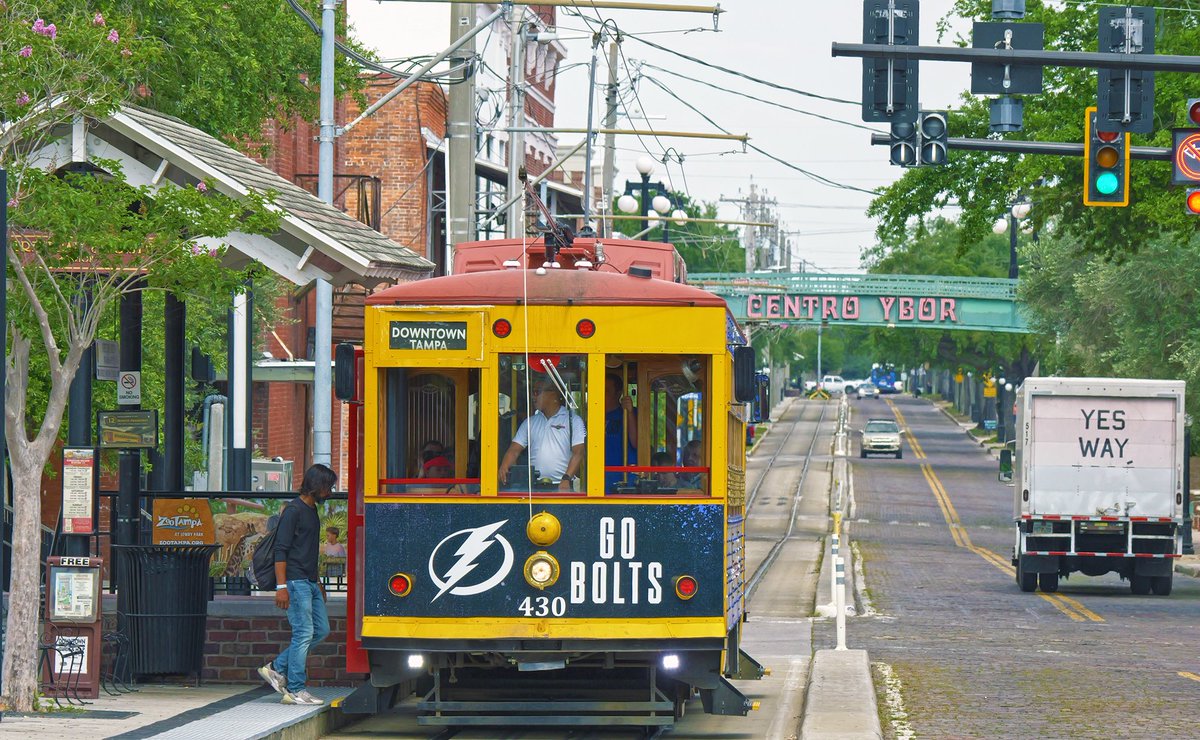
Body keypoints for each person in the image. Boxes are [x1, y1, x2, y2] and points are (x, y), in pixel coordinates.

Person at [258, 463, 337, 706]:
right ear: (316, 486)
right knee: (303, 633)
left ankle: (276, 667)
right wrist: (282, 588)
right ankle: (295, 689)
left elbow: (308, 551)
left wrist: (319, 581)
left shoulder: (311, 510)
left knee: (320, 630)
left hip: (310, 581)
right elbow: (281, 551)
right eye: (327, 487)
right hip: (294, 582)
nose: (330, 492)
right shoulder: (293, 511)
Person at [498, 378, 586, 492]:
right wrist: (504, 465)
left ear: (553, 394)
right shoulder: (530, 422)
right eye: (532, 392)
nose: (533, 397)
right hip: (533, 487)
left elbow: (579, 453)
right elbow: (514, 450)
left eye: (536, 392)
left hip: (562, 487)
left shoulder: (573, 420)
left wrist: (566, 478)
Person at [604, 373, 637, 489]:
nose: (601, 394)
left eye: (606, 391)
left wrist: (629, 412)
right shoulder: (593, 416)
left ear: (618, 393)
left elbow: (636, 442)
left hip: (625, 479)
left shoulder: (630, 413)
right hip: (599, 479)